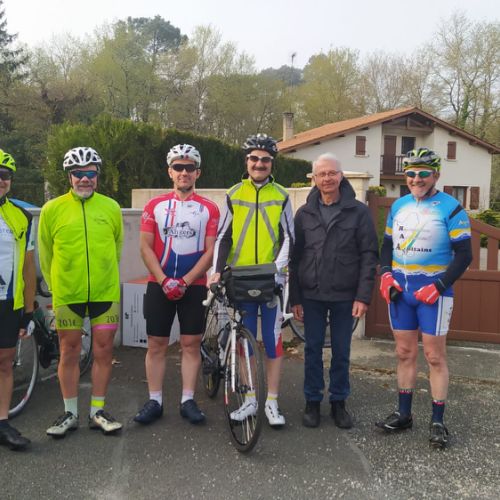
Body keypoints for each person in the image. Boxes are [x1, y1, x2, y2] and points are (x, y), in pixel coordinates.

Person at [375, 148, 472, 448]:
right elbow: (386, 246)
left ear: (436, 175)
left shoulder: (451, 207)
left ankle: (438, 421)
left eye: (423, 173)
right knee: (404, 353)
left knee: (434, 356)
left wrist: (440, 285)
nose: (416, 179)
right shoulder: (399, 205)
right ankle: (404, 415)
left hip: (433, 293)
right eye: (411, 174)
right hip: (401, 292)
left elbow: (465, 255)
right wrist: (385, 274)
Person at [209, 133, 294, 428]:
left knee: (272, 341)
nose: (259, 164)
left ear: (272, 163)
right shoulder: (233, 194)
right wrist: (216, 271)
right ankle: (249, 400)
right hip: (241, 279)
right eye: (254, 159)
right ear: (247, 162)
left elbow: (289, 237)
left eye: (265, 160)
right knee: (243, 342)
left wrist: (276, 269)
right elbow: (223, 237)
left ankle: (271, 402)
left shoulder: (281, 195)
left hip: (270, 280)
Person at [38, 147, 124, 437]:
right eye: (78, 173)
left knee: (104, 350)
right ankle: (70, 413)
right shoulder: (52, 209)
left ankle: (97, 411)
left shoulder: (111, 207)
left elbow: (117, 247)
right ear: (69, 176)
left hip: (104, 292)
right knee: (69, 350)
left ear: (97, 175)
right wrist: (55, 288)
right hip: (68, 293)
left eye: (90, 173)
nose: (85, 178)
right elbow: (46, 254)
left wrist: (106, 275)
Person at [289, 153, 378, 429]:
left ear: (341, 176)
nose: (327, 178)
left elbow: (369, 255)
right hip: (311, 295)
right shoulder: (304, 213)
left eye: (332, 173)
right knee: (312, 350)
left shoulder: (359, 212)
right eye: (321, 174)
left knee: (341, 351)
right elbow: (295, 258)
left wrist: (363, 296)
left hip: (344, 296)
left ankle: (339, 402)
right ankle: (312, 401)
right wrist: (295, 298)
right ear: (314, 179)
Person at [134, 144, 220, 425]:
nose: (184, 172)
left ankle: (187, 400)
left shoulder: (209, 208)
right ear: (170, 172)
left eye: (189, 167)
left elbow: (211, 251)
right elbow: (145, 247)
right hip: (159, 284)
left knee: (191, 343)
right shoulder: (154, 206)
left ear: (198, 173)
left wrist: (184, 281)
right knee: (156, 343)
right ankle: (155, 400)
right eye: (178, 167)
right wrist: (164, 280)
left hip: (193, 286)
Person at [0, 149, 36, 450]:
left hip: (8, 303)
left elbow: (27, 266)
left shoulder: (22, 216)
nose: (1, 180)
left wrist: (28, 309)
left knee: (5, 362)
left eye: (5, 175)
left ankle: (2, 423)